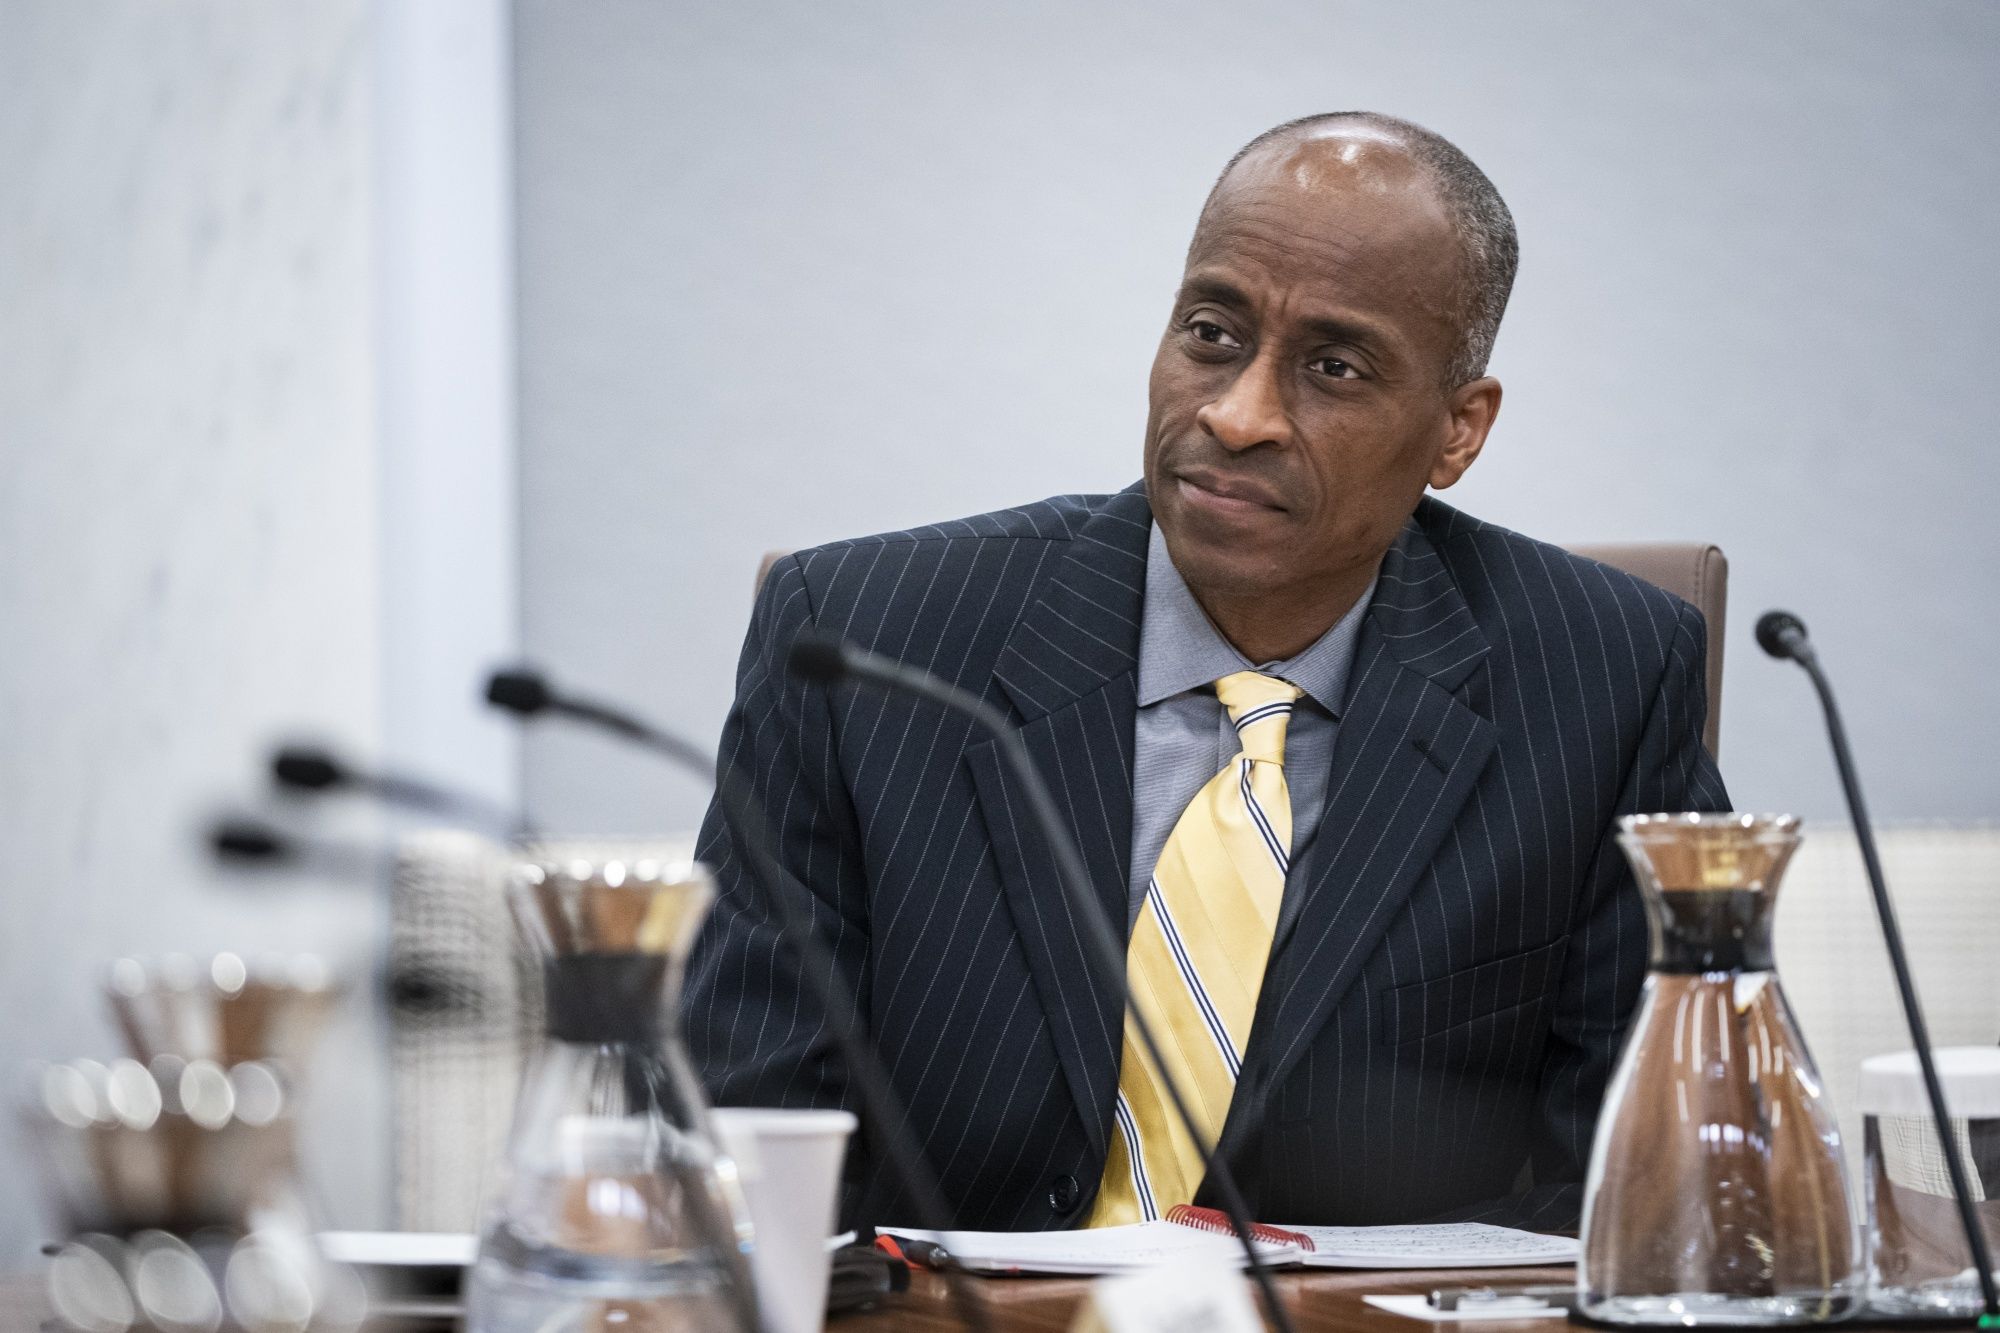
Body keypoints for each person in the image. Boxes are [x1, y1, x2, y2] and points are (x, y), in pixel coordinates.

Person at [683, 111, 1729, 1232]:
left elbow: (1647, 1190)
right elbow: (738, 1132)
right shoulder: (865, 647)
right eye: (1212, 334)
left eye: (1333, 367)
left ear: (1457, 431)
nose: (1236, 416)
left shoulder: (1604, 684)